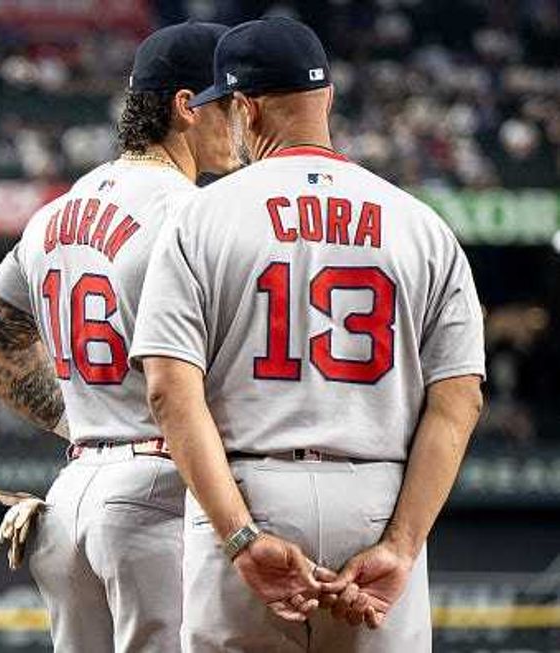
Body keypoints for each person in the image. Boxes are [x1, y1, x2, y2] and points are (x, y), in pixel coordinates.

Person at [130, 17, 485, 652]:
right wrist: (402, 544)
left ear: (243, 107)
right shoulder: (421, 225)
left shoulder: (199, 218)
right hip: (379, 497)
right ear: (328, 97)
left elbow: (168, 393)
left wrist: (238, 535)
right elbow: (461, 400)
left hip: (248, 488)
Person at [0, 22, 238, 653]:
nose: (241, 121)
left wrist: (83, 424)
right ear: (186, 108)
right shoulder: (192, 211)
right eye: (228, 104)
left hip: (74, 490)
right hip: (157, 491)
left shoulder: (57, 210)